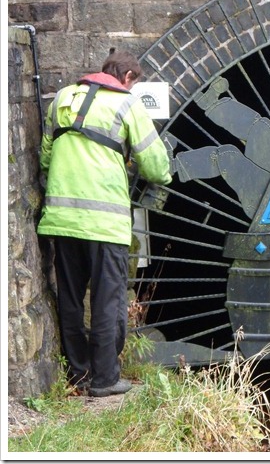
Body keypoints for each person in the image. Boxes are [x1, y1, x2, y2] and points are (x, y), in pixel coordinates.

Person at [37, 49, 172, 397]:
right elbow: (156, 165)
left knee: (70, 297)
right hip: (105, 222)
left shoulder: (63, 98)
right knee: (106, 300)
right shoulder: (127, 104)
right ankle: (105, 379)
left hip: (62, 219)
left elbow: (46, 155)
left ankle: (78, 375)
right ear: (128, 79)